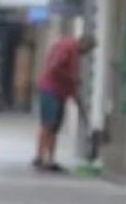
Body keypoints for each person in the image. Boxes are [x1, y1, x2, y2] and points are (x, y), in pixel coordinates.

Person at [33, 34, 96, 172]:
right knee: (49, 125)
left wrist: (77, 101)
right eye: (87, 50)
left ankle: (46, 159)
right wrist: (72, 78)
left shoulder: (73, 51)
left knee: (51, 126)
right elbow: (55, 67)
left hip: (57, 92)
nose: (85, 54)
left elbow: (71, 84)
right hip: (51, 91)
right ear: (84, 44)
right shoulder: (67, 48)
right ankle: (43, 159)